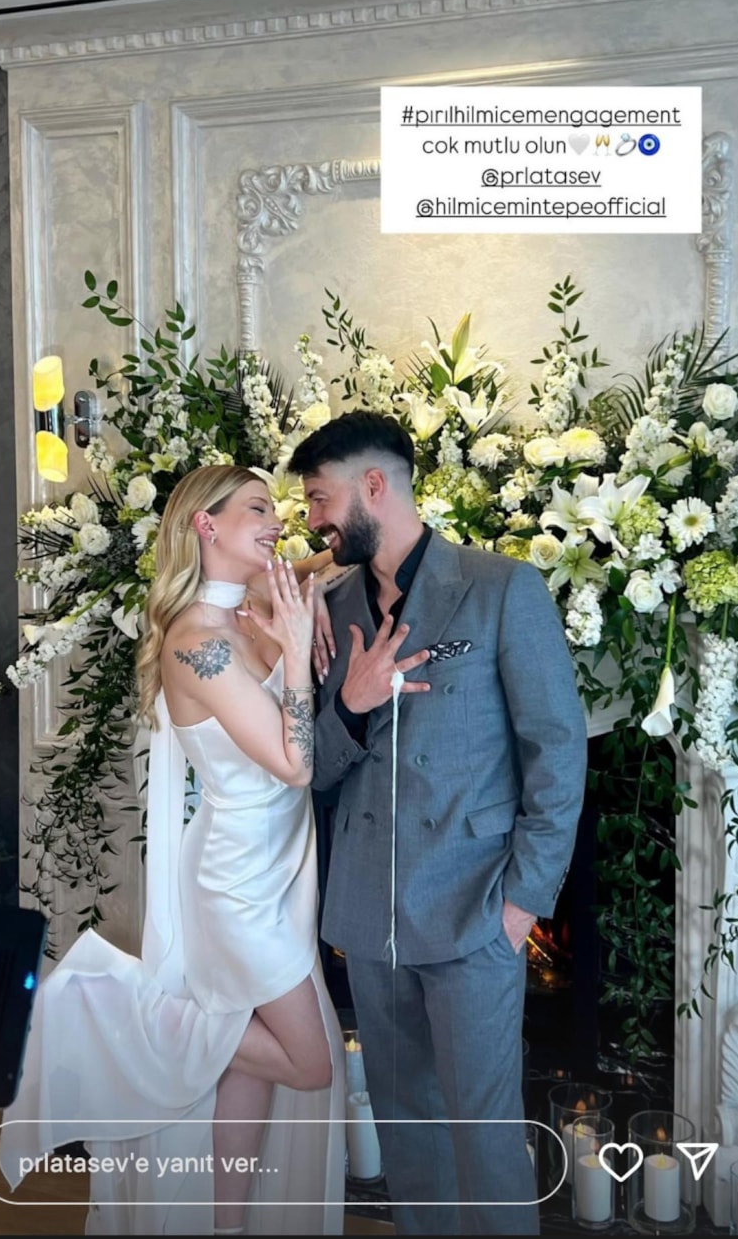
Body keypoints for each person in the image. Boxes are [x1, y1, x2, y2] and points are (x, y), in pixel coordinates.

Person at [0, 464, 346, 1235]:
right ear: (206, 524)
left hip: (280, 868)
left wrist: (319, 578)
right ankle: (122, 1018)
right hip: (237, 882)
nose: (276, 521)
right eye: (258, 507)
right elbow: (294, 763)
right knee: (312, 1060)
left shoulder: (250, 606)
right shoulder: (196, 640)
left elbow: (325, 560)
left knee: (254, 1057)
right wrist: (295, 652)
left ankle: (227, 1226)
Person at [289, 412, 588, 1237]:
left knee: (485, 1139)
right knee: (407, 1137)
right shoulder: (329, 608)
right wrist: (350, 704)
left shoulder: (502, 588)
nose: (312, 519)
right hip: (370, 919)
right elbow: (312, 764)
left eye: (319, 498)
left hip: (474, 912)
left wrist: (522, 904)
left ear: (373, 485)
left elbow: (557, 750)